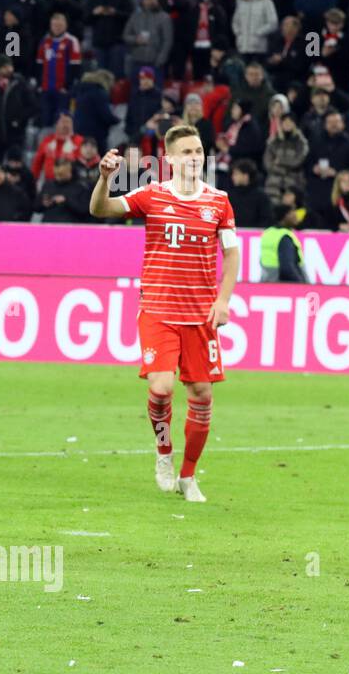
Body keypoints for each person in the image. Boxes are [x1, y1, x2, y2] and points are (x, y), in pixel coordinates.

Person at [89, 125, 240, 503]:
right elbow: (100, 209)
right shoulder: (152, 196)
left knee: (202, 393)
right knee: (161, 387)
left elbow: (233, 254)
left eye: (199, 151)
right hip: (158, 309)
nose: (194, 158)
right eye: (186, 152)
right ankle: (163, 454)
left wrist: (223, 301)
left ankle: (188, 477)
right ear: (170, 159)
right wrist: (105, 179)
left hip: (200, 315)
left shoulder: (219, 201)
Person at [259, 204, 308, 282]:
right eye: (292, 212)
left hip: (267, 282)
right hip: (283, 286)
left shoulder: (268, 233)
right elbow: (287, 268)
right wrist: (301, 284)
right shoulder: (284, 237)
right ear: (285, 216)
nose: (296, 215)